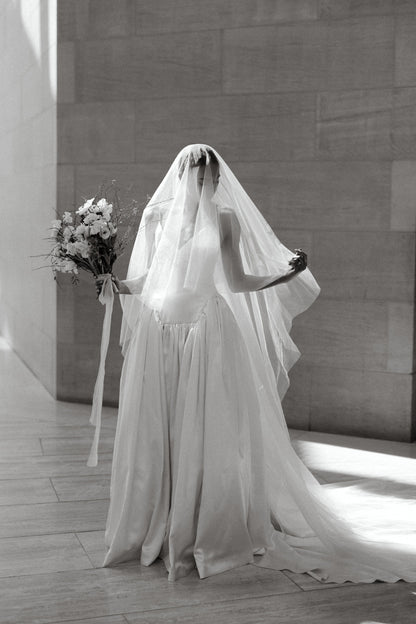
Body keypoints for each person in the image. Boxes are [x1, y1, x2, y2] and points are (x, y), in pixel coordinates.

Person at [96, 144, 416, 583]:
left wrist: (283, 275)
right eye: (199, 176)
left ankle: (201, 525)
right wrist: (113, 283)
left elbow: (235, 280)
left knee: (206, 429)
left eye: (212, 177)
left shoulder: (224, 219)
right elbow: (149, 279)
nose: (208, 184)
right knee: (161, 429)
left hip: (207, 331)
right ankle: (161, 517)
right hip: (161, 335)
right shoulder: (156, 218)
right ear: (182, 175)